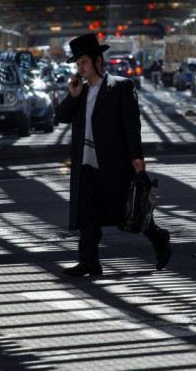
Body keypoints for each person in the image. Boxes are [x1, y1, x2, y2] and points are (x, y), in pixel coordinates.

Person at [55, 33, 171, 277]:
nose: (80, 68)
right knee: (88, 215)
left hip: (113, 163)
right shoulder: (81, 91)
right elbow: (62, 117)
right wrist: (72, 95)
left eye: (84, 62)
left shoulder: (120, 87)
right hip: (85, 164)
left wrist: (136, 157)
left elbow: (131, 125)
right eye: (78, 64)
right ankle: (89, 261)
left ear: (98, 61)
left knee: (125, 212)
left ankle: (158, 236)